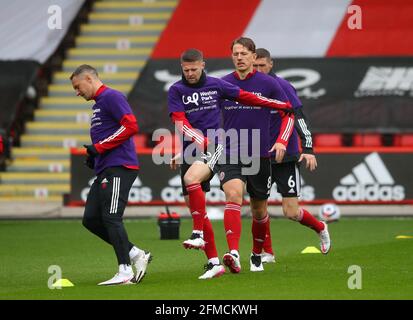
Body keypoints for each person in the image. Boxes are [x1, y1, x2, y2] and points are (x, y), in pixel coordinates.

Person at [167, 48, 293, 279]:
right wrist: (194, 143)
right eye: (186, 70)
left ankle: (199, 234)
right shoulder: (176, 90)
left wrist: (278, 105)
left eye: (194, 69)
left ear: (203, 65)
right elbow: (179, 121)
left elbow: (246, 96)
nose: (190, 74)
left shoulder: (216, 85)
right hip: (192, 149)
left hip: (216, 146)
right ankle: (214, 261)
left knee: (194, 180)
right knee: (194, 205)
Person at [216, 37, 295, 273]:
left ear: (253, 57)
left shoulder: (268, 84)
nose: (239, 57)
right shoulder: (223, 84)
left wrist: (281, 141)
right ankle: (233, 252)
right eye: (235, 54)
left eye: (243, 53)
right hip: (230, 152)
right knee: (233, 195)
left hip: (259, 154)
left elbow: (288, 113)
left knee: (259, 209)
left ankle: (256, 254)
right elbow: (209, 116)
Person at [70, 64, 151, 286]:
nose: (77, 92)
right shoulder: (98, 105)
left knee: (111, 217)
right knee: (91, 219)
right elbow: (111, 133)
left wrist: (101, 147)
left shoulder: (111, 96)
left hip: (120, 166)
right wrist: (95, 156)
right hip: (105, 167)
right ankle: (135, 254)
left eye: (78, 86)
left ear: (88, 78)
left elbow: (131, 126)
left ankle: (125, 271)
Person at [253, 48, 331, 259]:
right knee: (259, 208)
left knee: (290, 212)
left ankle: (320, 226)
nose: (259, 70)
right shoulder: (249, 88)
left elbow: (299, 117)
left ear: (270, 64)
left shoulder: (283, 87)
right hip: (259, 156)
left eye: (262, 65)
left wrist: (308, 148)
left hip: (285, 155)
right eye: (255, 66)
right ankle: (266, 252)